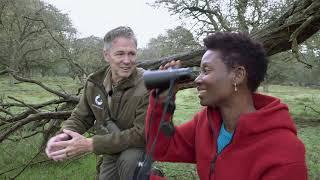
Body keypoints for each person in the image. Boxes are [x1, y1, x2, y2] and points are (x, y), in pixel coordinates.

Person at [145, 32, 308, 180]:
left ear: (237, 75)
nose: (197, 80)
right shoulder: (207, 123)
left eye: (206, 71)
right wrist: (162, 101)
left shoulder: (285, 152)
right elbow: (162, 148)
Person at [45, 26, 149, 180]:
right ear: (106, 55)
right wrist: (63, 137)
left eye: (131, 54)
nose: (127, 60)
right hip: (110, 149)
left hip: (137, 149)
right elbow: (81, 117)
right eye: (120, 54)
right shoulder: (95, 82)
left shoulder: (148, 84)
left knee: (130, 164)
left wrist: (91, 144)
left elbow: (142, 134)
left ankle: (151, 173)